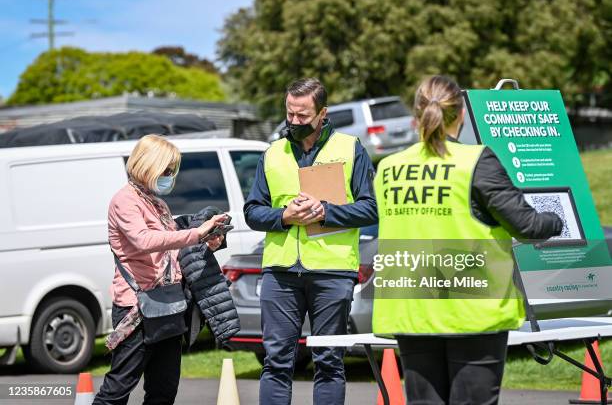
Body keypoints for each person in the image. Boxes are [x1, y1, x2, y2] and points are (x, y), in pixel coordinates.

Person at [372, 75, 563, 405]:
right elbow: (527, 225)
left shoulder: (389, 167)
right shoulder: (475, 161)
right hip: (472, 306)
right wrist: (558, 220)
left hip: (412, 306)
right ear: (461, 114)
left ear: (415, 117)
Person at [244, 77, 378, 405]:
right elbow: (252, 211)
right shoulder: (272, 153)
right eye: (290, 114)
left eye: (303, 116)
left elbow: (370, 208)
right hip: (280, 272)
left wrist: (325, 212)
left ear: (322, 113)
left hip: (332, 272)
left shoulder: (350, 148)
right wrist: (284, 217)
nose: (294, 121)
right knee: (276, 362)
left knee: (329, 361)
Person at [93, 134, 227, 405]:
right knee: (118, 389)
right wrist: (194, 234)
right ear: (147, 165)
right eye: (166, 170)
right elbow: (144, 241)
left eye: (172, 170)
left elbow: (171, 254)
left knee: (164, 391)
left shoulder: (157, 204)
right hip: (137, 309)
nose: (170, 176)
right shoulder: (125, 200)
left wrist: (207, 242)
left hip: (168, 305)